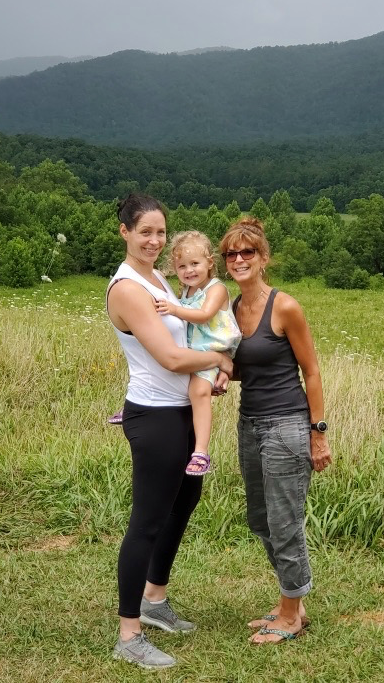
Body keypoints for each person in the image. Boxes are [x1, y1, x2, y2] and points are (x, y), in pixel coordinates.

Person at [106, 193, 234, 670]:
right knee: (147, 521)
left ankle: (154, 600)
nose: (155, 241)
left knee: (183, 504)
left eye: (161, 232)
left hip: (181, 410)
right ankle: (129, 633)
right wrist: (220, 360)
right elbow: (173, 357)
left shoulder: (158, 276)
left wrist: (206, 377)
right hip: (155, 416)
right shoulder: (127, 289)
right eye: (145, 232)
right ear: (124, 232)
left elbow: (190, 335)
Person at [218, 216, 333, 645]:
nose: (239, 259)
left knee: (285, 521)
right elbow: (242, 368)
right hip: (249, 423)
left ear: (263, 258)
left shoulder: (284, 306)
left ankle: (290, 615)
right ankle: (294, 601)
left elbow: (312, 370)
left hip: (287, 425)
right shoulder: (230, 309)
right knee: (260, 518)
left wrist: (317, 432)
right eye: (231, 253)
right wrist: (217, 376)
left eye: (248, 252)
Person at [153, 230, 241, 476]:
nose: (189, 270)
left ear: (210, 262)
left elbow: (204, 315)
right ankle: (137, 407)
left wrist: (173, 309)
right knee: (162, 362)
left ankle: (201, 452)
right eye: (182, 266)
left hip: (213, 348)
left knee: (199, 391)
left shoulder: (217, 289)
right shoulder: (185, 291)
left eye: (195, 264)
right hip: (192, 349)